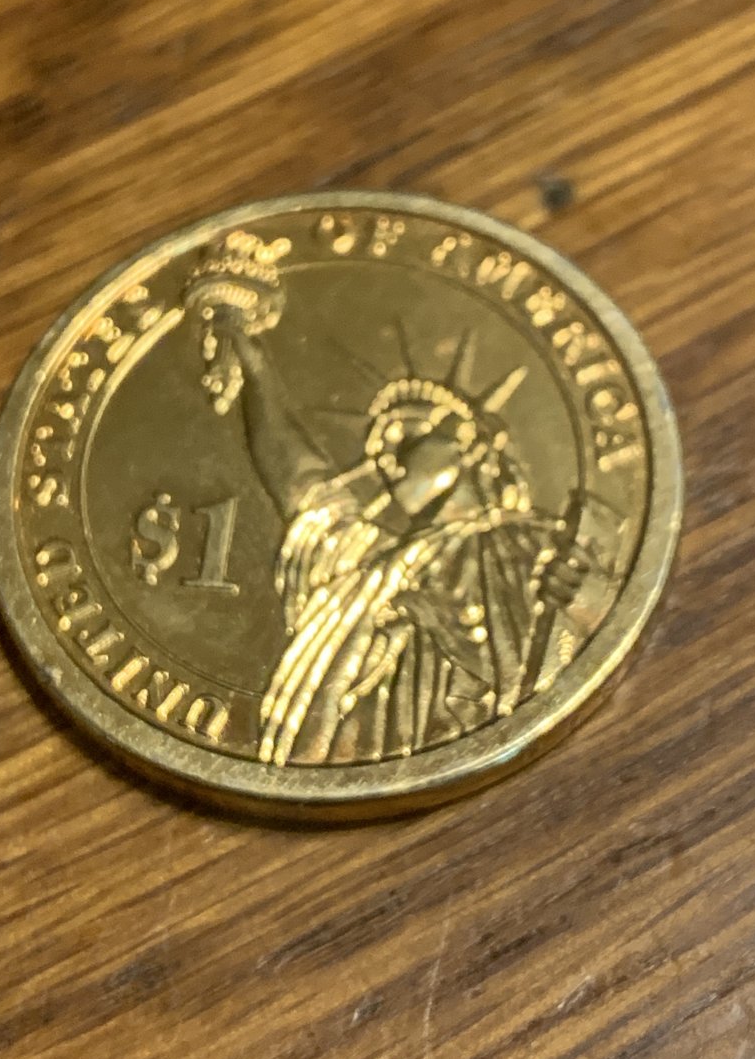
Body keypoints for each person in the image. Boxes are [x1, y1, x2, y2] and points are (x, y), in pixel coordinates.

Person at [192, 297, 585, 768]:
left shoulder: (527, 543)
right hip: (348, 756)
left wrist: (572, 592)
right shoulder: (367, 560)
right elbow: (299, 480)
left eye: (405, 439)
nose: (385, 460)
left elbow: (576, 619)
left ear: (466, 444)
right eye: (380, 448)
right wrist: (257, 371)